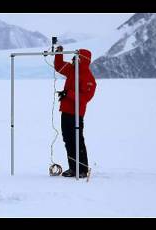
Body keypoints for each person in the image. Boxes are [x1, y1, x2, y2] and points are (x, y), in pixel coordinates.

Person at [54, 46, 96, 178]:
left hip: (77, 113)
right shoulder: (72, 70)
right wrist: (59, 53)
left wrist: (69, 94)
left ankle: (82, 170)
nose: (73, 59)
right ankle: (73, 168)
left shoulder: (88, 77)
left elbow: (85, 98)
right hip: (65, 111)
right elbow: (59, 66)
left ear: (82, 59)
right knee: (68, 140)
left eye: (77, 57)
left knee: (77, 140)